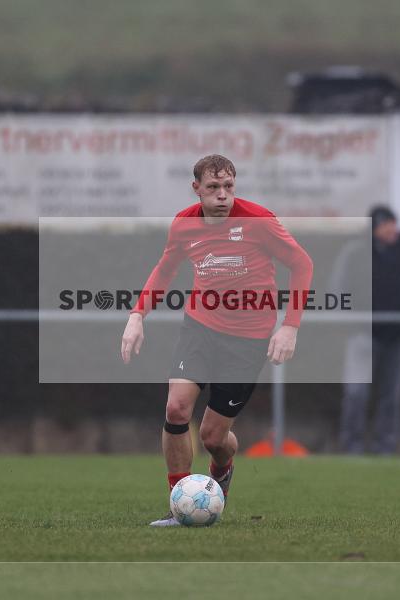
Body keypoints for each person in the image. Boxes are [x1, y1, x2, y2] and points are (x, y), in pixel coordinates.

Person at [120, 154, 313, 527]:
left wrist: (290, 326)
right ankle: (179, 505)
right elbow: (165, 270)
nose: (222, 195)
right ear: (197, 190)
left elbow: (302, 264)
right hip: (200, 328)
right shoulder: (183, 225)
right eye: (213, 188)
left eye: (228, 187)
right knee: (176, 409)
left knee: (213, 436)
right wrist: (136, 315)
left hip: (248, 339)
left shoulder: (258, 221)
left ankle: (222, 469)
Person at [330, 205, 400, 455]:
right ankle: (351, 446)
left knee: (391, 397)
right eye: (387, 224)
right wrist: (351, 321)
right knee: (356, 393)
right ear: (374, 227)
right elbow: (338, 288)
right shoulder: (355, 253)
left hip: (398, 337)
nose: (392, 229)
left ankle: (384, 447)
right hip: (362, 335)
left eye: (394, 224)